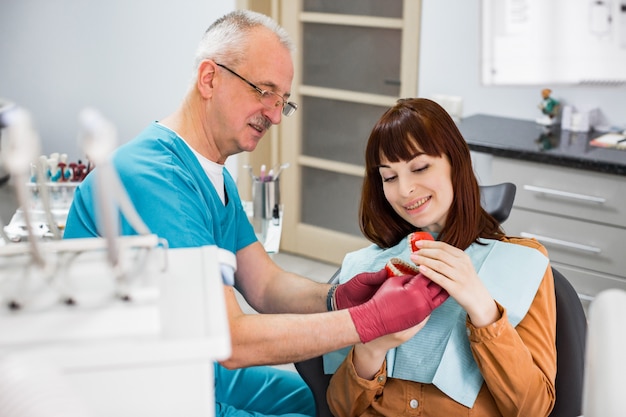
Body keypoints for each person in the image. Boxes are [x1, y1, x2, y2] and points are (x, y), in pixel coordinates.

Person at [63, 11, 440, 417]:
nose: (275, 115)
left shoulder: (215, 178)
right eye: (265, 91)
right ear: (209, 78)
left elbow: (265, 285)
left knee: (325, 404)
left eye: (283, 102)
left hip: (195, 367)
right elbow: (230, 339)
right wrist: (370, 320)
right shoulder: (153, 180)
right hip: (143, 390)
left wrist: (336, 297)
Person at [325, 98, 557, 416]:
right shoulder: (365, 268)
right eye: (389, 177)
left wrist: (482, 307)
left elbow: (534, 409)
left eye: (420, 168)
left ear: (456, 162)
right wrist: (373, 346)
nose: (405, 189)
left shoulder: (523, 264)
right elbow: (338, 408)